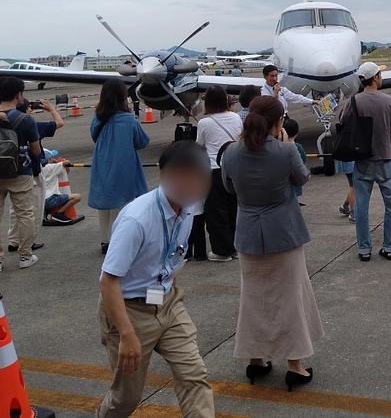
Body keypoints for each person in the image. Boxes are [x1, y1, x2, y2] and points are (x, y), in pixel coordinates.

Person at [96, 141, 215, 418]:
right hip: (129, 312)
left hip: (167, 303)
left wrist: (167, 289)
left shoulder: (188, 209)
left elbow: (171, 257)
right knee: (126, 398)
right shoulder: (137, 219)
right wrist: (126, 334)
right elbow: (108, 282)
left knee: (194, 376)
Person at [221, 96, 324, 390]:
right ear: (278, 122)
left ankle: (255, 360)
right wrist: (287, 142)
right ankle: (295, 365)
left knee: (253, 298)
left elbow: (230, 188)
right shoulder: (285, 151)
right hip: (284, 231)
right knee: (290, 297)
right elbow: (302, 178)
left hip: (248, 232)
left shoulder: (231, 153)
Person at [340, 62, 391, 261]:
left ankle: (364, 249)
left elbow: (342, 122)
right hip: (385, 159)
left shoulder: (354, 101)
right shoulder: (390, 101)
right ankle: (390, 247)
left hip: (363, 159)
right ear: (375, 78)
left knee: (361, 207)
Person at [90, 79, 150, 255]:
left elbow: (94, 136)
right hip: (123, 164)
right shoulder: (128, 119)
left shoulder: (98, 116)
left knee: (105, 205)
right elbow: (142, 141)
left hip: (102, 161)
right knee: (122, 204)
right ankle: (119, 241)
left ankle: (105, 240)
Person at [7, 96, 64, 252]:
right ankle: (28, 244)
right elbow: (59, 123)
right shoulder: (31, 124)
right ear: (25, 110)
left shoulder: (5, 122)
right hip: (30, 171)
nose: (31, 110)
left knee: (14, 209)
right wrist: (51, 109)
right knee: (32, 209)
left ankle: (13, 241)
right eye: (29, 107)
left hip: (8, 169)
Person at [196, 85, 243, 263]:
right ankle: (236, 246)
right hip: (234, 167)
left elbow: (200, 145)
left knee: (216, 211)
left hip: (214, 170)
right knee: (235, 208)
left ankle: (222, 250)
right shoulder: (236, 117)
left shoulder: (205, 123)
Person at [0, 77, 42, 270]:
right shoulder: (26, 119)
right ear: (19, 95)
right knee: (25, 214)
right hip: (20, 172)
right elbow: (36, 151)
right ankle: (25, 256)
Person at [283, 118, 308, 203]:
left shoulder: (279, 146)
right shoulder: (298, 147)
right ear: (296, 132)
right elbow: (303, 164)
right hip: (295, 178)